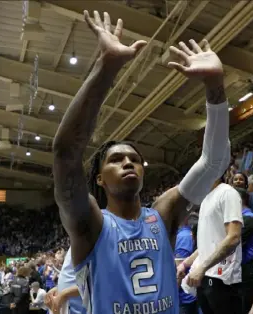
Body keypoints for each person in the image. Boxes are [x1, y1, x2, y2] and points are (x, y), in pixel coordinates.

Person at [52, 10, 230, 314]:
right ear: (99, 178)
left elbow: (214, 161)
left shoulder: (163, 213)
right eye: (116, 159)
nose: (128, 163)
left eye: (134, 159)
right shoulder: (90, 224)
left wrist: (215, 88)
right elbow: (65, 153)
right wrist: (105, 67)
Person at [178, 179, 243, 314]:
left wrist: (202, 267)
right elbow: (205, 245)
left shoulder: (227, 193)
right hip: (205, 275)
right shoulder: (206, 198)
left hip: (222, 278)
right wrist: (185, 265)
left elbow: (233, 237)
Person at [234, 187, 253, 314]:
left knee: (245, 305)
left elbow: (233, 242)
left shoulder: (249, 219)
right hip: (238, 267)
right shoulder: (238, 218)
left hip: (248, 268)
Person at [45, 247, 86, 314]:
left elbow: (90, 283)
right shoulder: (75, 245)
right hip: (67, 307)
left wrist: (63, 293)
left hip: (79, 308)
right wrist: (59, 288)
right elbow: (74, 278)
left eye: (59, 252)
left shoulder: (85, 243)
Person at [175, 217, 197, 314]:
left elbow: (179, 272)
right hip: (189, 295)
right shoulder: (186, 233)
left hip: (183, 298)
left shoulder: (183, 237)